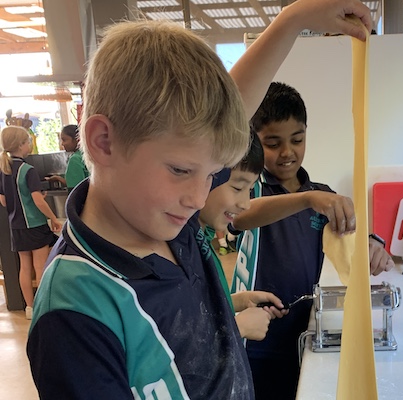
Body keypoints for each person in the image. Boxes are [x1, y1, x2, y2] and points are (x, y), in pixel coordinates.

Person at [26, 0, 374, 398]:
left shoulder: (163, 212)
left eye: (212, 174)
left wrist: (293, 20)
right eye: (180, 170)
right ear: (104, 142)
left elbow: (229, 112)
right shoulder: (76, 310)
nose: (198, 197)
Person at [230, 82, 395, 400]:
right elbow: (240, 217)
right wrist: (306, 199)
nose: (287, 152)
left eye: (297, 140)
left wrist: (373, 245)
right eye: (273, 143)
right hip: (259, 337)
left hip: (309, 330)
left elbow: (351, 235)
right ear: (254, 142)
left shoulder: (322, 195)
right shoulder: (250, 191)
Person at [199, 133, 288, 340]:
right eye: (238, 188)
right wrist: (238, 328)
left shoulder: (202, 236)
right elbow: (180, 347)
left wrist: (236, 301)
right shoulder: (179, 248)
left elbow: (201, 309)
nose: (246, 203)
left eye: (249, 190)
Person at [0, 126, 62, 320]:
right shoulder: (28, 170)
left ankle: (30, 307)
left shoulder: (4, 168)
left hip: (16, 226)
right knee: (41, 265)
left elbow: (3, 200)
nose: (30, 144)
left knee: (24, 267)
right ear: (21, 145)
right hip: (34, 225)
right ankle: (44, 306)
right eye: (28, 141)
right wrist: (53, 217)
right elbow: (37, 200)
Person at [47, 124, 89, 190]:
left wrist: (58, 178)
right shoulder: (86, 154)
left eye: (64, 140)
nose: (62, 144)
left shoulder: (75, 159)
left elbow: (75, 188)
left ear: (77, 139)